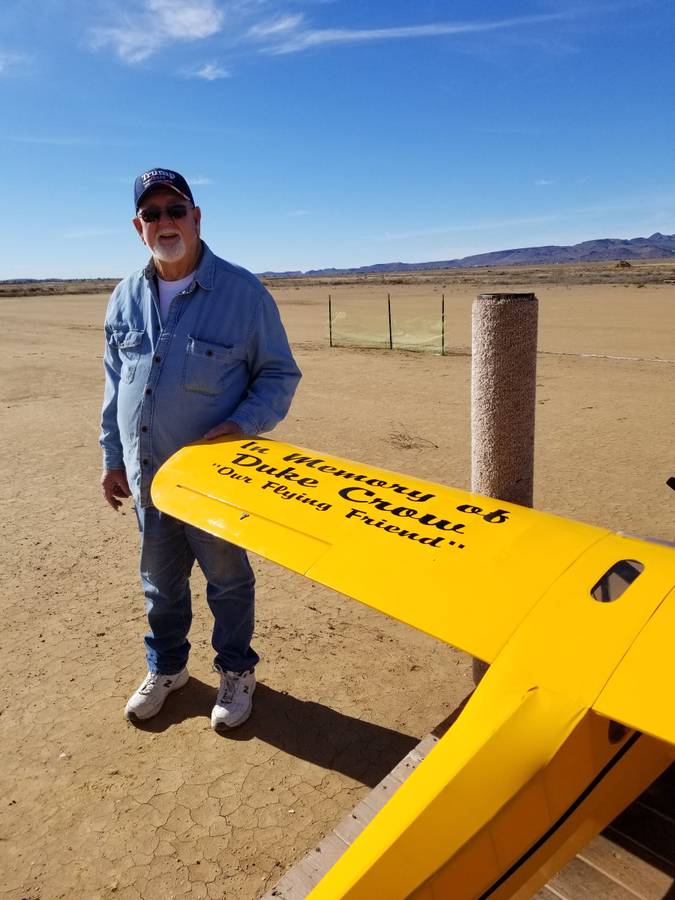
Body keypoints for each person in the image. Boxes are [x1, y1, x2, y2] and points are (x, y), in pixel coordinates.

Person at [100, 167, 301, 730]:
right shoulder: (124, 297)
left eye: (175, 210)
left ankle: (236, 673)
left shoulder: (242, 294)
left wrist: (242, 424)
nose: (165, 221)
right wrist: (112, 459)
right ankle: (167, 669)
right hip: (150, 479)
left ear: (196, 217)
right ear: (139, 227)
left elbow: (279, 375)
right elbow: (115, 385)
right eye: (153, 214)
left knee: (228, 582)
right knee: (160, 585)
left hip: (217, 483)